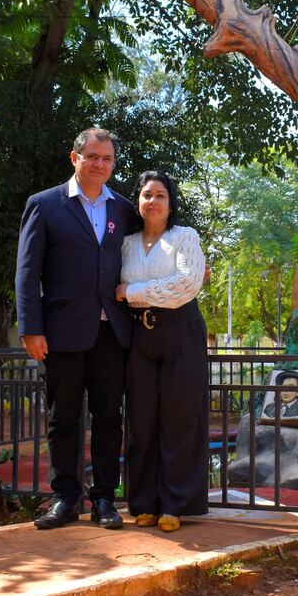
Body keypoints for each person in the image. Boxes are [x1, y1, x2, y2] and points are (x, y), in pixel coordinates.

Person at [15, 127, 137, 531]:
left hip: (111, 334)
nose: (100, 164)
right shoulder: (45, 204)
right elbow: (27, 273)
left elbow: (146, 250)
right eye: (93, 157)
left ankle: (104, 498)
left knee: (108, 417)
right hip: (62, 333)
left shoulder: (123, 208)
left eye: (107, 159)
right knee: (63, 417)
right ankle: (65, 497)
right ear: (75, 158)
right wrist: (31, 327)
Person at [115, 171, 208, 533]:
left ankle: (174, 504)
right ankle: (144, 502)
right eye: (146, 195)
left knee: (179, 419)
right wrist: (134, 293)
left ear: (171, 204)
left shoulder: (184, 237)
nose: (153, 202)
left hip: (180, 333)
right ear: (137, 202)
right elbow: (114, 287)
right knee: (142, 422)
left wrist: (132, 290)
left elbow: (185, 286)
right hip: (140, 336)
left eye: (161, 196)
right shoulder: (126, 244)